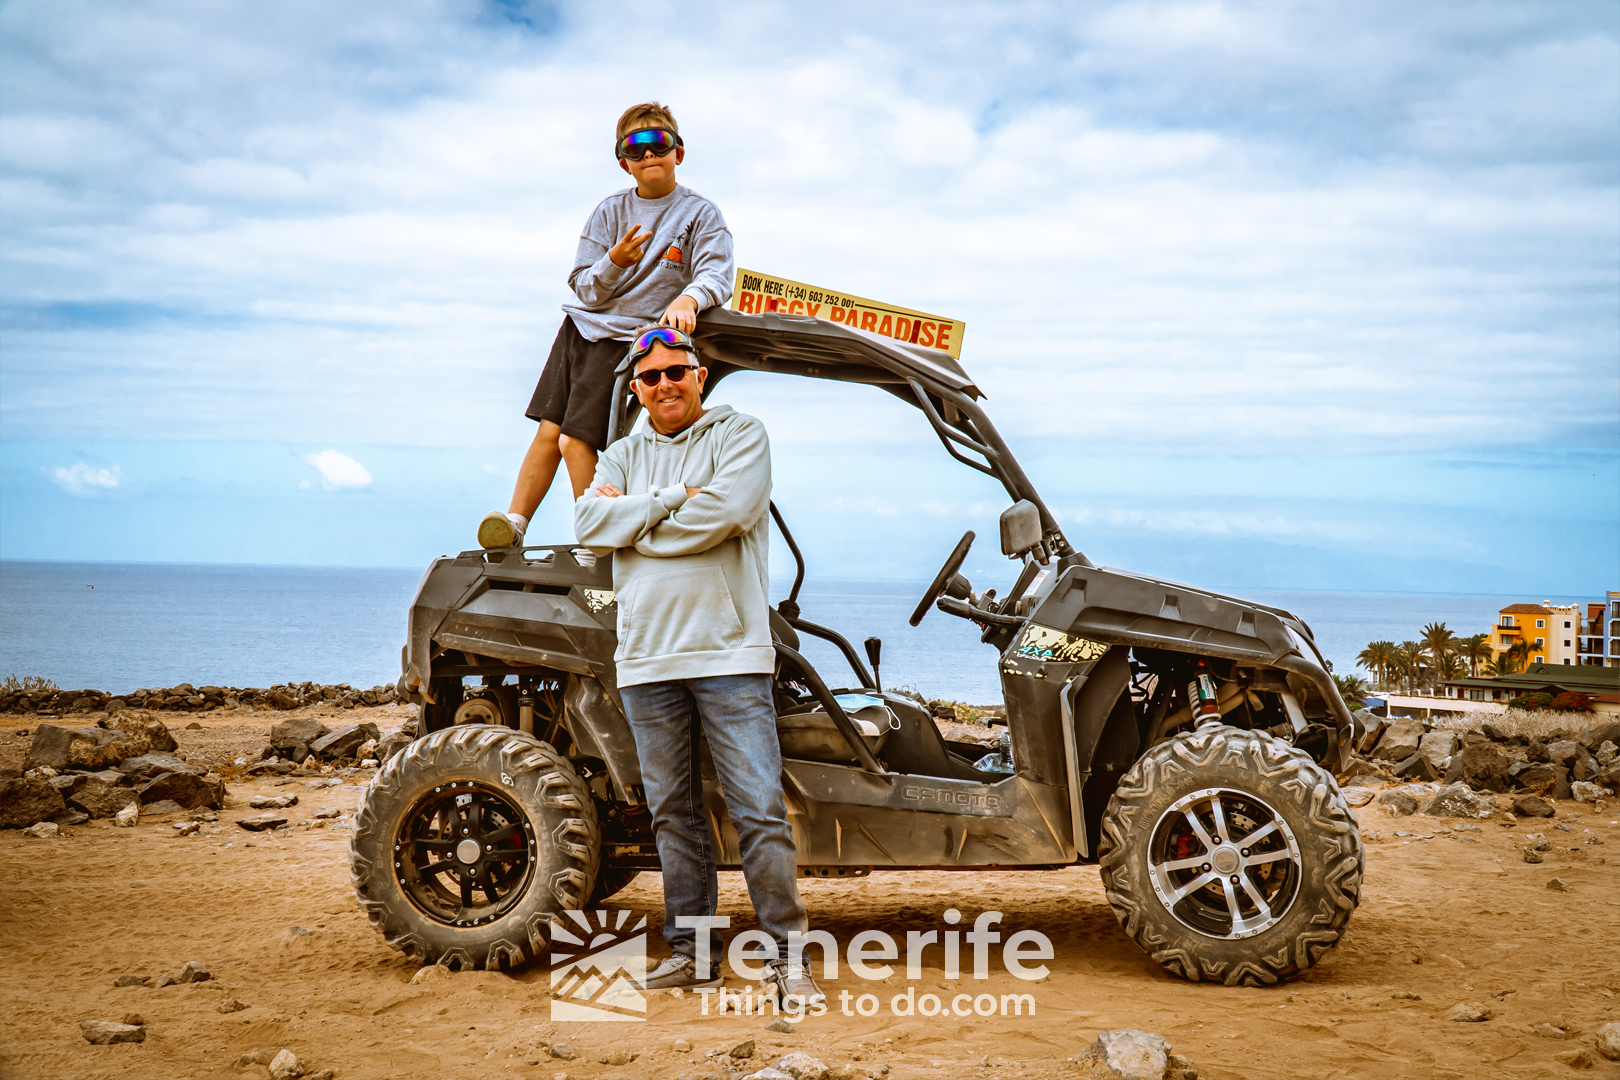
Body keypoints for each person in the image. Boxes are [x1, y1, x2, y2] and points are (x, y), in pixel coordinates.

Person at [573, 325, 824, 1005]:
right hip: (645, 661)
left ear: (700, 375)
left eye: (676, 372)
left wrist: (636, 524)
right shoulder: (623, 453)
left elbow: (726, 512)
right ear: (637, 389)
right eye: (651, 378)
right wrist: (669, 501)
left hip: (729, 653)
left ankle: (787, 960)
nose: (665, 385)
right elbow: (588, 528)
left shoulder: (740, 436)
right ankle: (694, 954)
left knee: (759, 812)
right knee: (672, 816)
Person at [477, 102, 734, 549]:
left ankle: (596, 537)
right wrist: (614, 262)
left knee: (576, 440)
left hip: (628, 339)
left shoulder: (700, 215)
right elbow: (584, 287)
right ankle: (515, 523)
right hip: (581, 329)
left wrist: (689, 297)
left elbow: (716, 273)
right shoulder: (609, 212)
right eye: (635, 148)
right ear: (623, 163)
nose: (648, 154)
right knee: (548, 432)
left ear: (679, 153)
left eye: (659, 143)